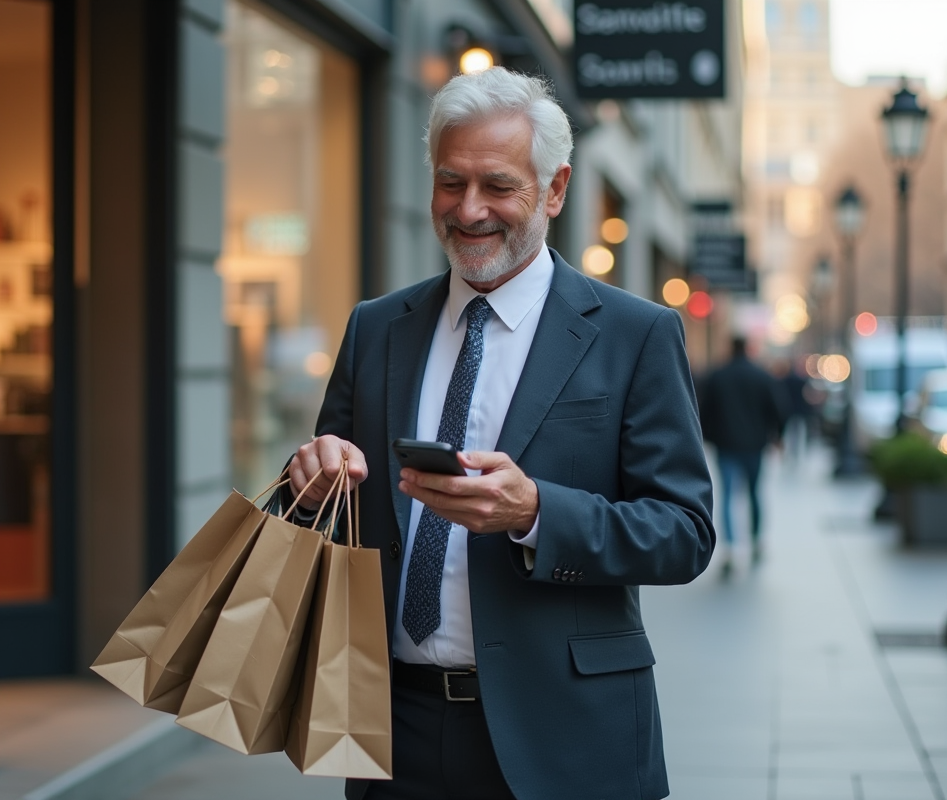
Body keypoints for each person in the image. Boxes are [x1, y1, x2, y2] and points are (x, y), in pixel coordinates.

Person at [284, 67, 714, 800]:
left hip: (566, 735)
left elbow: (684, 532)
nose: (469, 209)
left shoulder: (635, 335)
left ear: (554, 189)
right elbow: (324, 516)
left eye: (498, 186)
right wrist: (312, 476)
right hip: (393, 732)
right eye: (451, 183)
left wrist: (538, 514)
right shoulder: (376, 328)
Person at [699, 337, 786, 572]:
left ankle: (729, 548)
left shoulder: (718, 376)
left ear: (730, 348)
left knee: (727, 495)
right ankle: (756, 541)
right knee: (754, 493)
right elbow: (777, 407)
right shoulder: (761, 375)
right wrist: (778, 436)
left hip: (726, 444)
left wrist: (707, 437)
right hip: (755, 445)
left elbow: (704, 410)